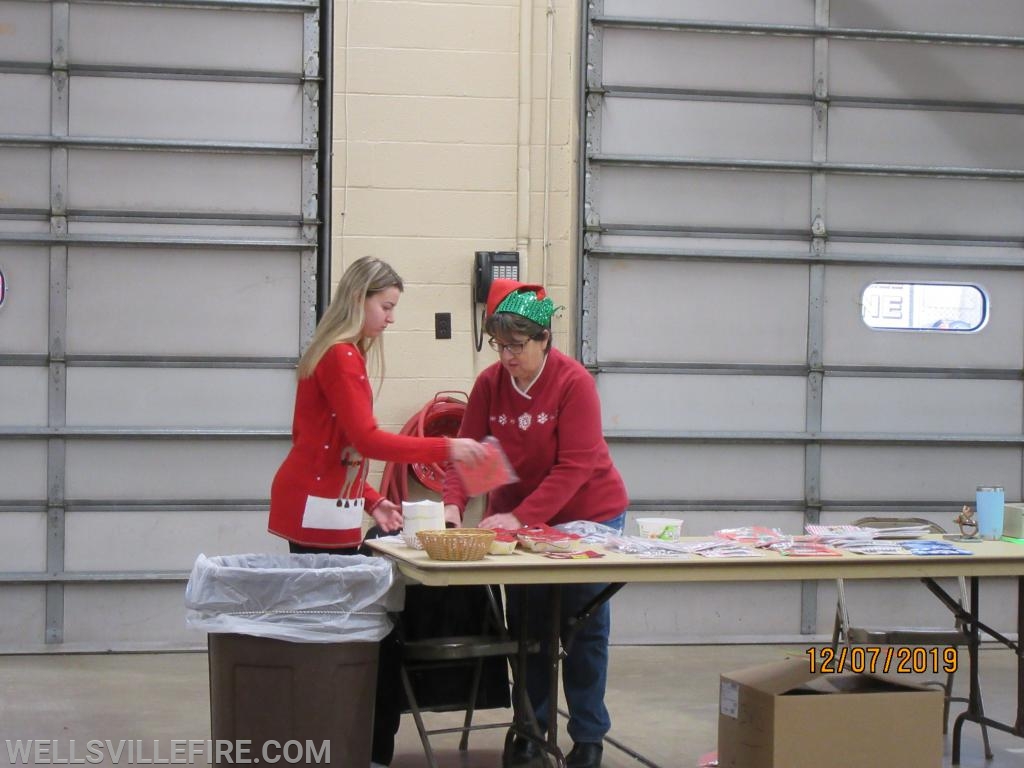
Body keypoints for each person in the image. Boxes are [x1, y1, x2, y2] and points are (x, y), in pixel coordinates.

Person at [267, 255, 485, 768]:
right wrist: (446, 448)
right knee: (358, 637)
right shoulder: (341, 355)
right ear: (359, 298)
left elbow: (334, 447)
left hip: (322, 506)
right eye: (385, 307)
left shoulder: (337, 353)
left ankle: (347, 743)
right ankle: (361, 748)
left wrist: (373, 500)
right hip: (318, 513)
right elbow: (364, 439)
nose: (391, 318)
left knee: (342, 632)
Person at [442, 279, 629, 768]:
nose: (507, 356)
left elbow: (576, 467)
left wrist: (521, 515)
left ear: (544, 338)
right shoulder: (490, 384)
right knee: (527, 628)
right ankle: (529, 726)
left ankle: (588, 735)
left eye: (517, 346)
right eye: (499, 346)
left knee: (582, 628)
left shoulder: (573, 383)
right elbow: (469, 453)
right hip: (515, 522)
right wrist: (450, 510)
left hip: (587, 512)